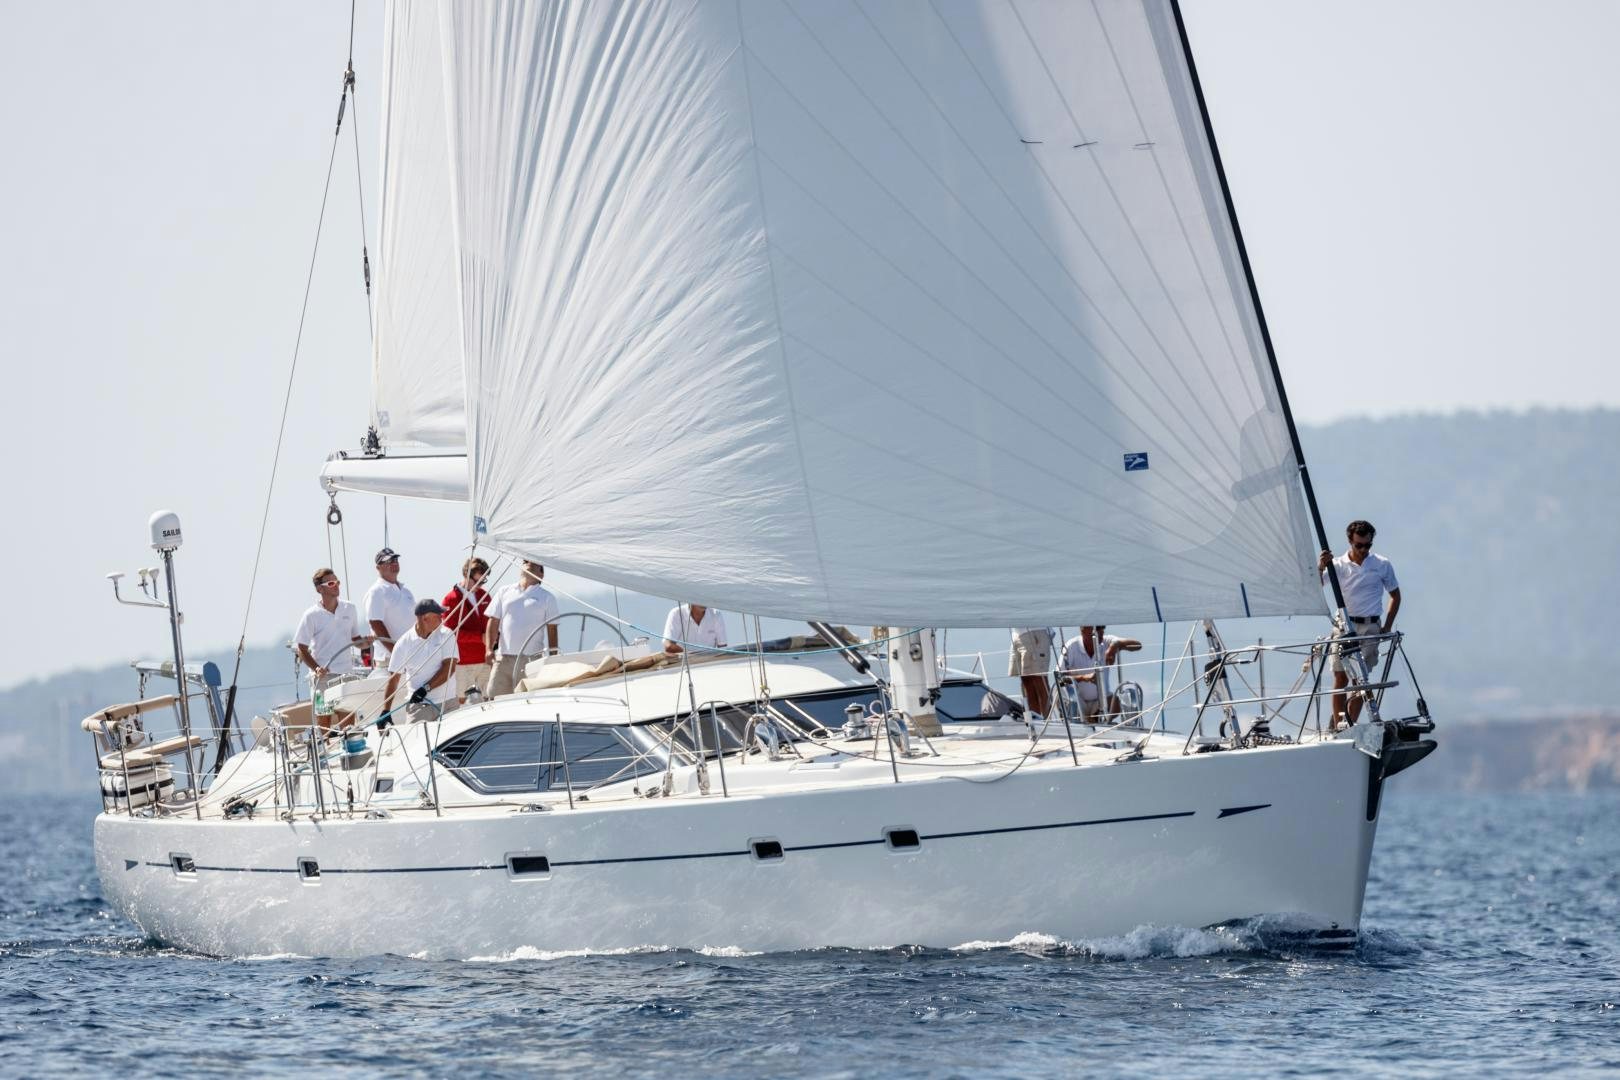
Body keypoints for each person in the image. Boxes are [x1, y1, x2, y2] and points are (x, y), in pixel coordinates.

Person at [1318, 519, 1402, 729]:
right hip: (1345, 625)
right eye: (1359, 545)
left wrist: (1387, 626)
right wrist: (1320, 567)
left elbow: (1395, 595)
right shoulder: (1337, 565)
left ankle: (1350, 725)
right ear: (1350, 542)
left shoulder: (1381, 564)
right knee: (1340, 676)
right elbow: (1316, 585)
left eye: (1368, 545)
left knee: (1360, 679)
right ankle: (1338, 724)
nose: (1364, 550)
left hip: (1370, 626)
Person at [293, 570, 374, 721]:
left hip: (346, 674)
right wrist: (316, 668)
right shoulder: (311, 615)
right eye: (331, 583)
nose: (336, 585)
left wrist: (366, 643)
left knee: (348, 720)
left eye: (337, 582)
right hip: (323, 677)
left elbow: (355, 639)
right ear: (320, 589)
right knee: (324, 720)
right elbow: (301, 648)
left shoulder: (350, 608)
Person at [484, 560, 559, 697]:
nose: (528, 562)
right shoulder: (504, 591)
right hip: (503, 658)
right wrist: (489, 649)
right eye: (525, 561)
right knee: (494, 697)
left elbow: (552, 629)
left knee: (528, 699)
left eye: (534, 562)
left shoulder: (547, 597)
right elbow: (493, 621)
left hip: (531, 660)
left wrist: (553, 658)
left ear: (541, 575)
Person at [382, 599, 458, 723]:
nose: (442, 618)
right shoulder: (403, 643)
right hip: (418, 707)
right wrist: (385, 711)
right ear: (424, 619)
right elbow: (394, 679)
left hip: (448, 703)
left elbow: (449, 668)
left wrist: (425, 689)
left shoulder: (446, 634)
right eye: (438, 616)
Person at [1061, 625, 1142, 722]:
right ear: (1083, 630)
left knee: (1115, 702)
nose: (1102, 631)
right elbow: (1060, 678)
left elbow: (1138, 645)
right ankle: (1085, 721)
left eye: (1103, 627)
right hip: (1077, 701)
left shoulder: (1107, 642)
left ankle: (1096, 721)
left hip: (1101, 702)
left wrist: (1114, 646)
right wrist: (1084, 678)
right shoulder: (1071, 646)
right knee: (1064, 695)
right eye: (1097, 628)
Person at [442, 557, 492, 704]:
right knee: (467, 704)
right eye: (477, 581)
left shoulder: (485, 596)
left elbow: (492, 622)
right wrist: (479, 637)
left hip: (485, 661)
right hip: (463, 663)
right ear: (466, 574)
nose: (480, 585)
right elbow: (450, 633)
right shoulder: (450, 599)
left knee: (489, 702)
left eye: (483, 581)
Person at [362, 547, 416, 667]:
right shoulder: (376, 591)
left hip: (411, 657)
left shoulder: (406, 591)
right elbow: (376, 624)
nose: (394, 563)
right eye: (388, 561)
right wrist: (397, 652)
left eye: (395, 559)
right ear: (378, 567)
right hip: (390, 659)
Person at [1008, 627, 1054, 718]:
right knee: (1027, 683)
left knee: (1039, 681)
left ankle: (1048, 721)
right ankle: (1035, 720)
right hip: (1017, 635)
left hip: (1034, 632)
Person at [663, 602, 727, 655]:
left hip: (710, 663)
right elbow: (668, 645)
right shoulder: (676, 613)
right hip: (683, 664)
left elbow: (723, 648)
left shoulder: (716, 614)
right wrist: (691, 656)